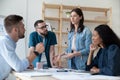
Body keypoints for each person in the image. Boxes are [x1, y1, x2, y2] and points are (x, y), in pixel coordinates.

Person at [0, 15, 44, 80]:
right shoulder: (5, 42)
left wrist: (25, 65)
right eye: (22, 27)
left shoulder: (7, 42)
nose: (25, 29)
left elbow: (13, 64)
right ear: (15, 30)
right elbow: (18, 67)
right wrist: (36, 52)